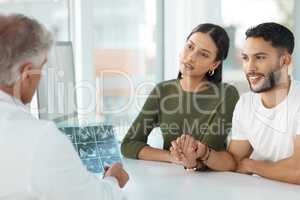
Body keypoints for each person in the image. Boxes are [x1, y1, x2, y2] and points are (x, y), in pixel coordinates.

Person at [0, 14, 129, 199]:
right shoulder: (39, 139)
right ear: (27, 74)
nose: (42, 77)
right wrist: (113, 179)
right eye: (42, 68)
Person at [173, 22, 300, 185]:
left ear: (285, 61)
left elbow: (297, 171)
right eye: (246, 58)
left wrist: (251, 165)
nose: (250, 67)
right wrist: (203, 153)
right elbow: (234, 160)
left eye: (260, 57)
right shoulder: (246, 103)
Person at [121, 23, 239, 170]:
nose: (191, 57)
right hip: (172, 178)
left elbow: (207, 153)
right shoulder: (162, 91)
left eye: (203, 54)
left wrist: (192, 160)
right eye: (190, 47)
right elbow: (129, 144)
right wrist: (172, 158)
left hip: (212, 181)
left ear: (214, 64)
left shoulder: (227, 94)